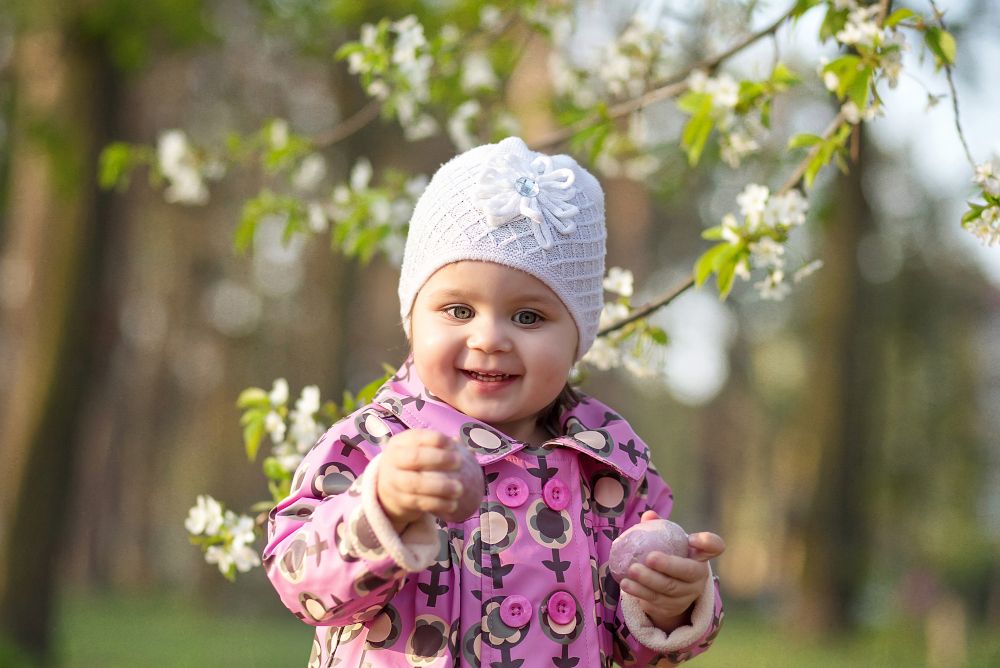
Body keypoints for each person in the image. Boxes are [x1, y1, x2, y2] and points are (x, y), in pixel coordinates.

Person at [263, 136, 725, 667]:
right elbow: (298, 581)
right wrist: (380, 508)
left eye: (528, 317)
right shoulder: (375, 443)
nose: (489, 338)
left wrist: (669, 603)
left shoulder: (610, 463)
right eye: (458, 310)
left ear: (578, 338)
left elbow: (637, 645)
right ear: (411, 318)